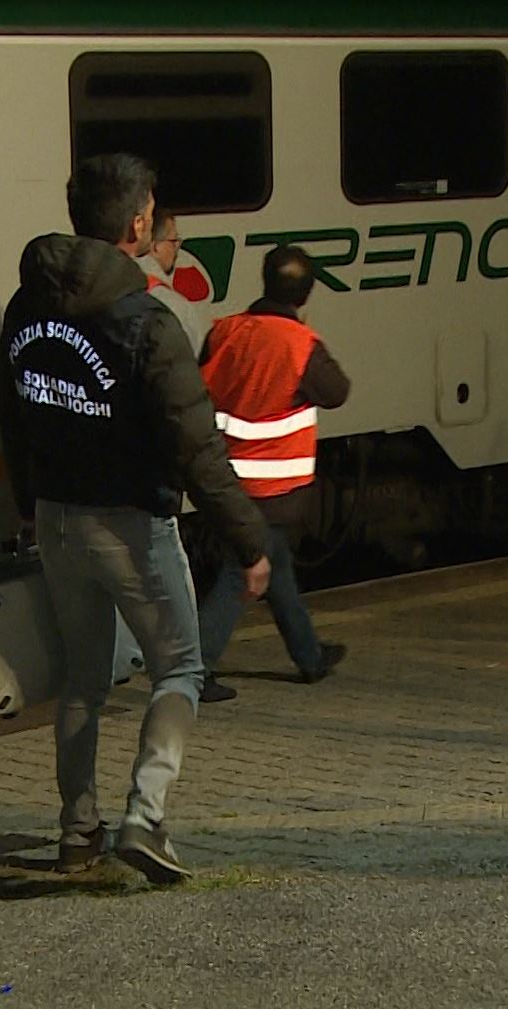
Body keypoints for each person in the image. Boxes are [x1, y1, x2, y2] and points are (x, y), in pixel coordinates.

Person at [0, 153, 271, 883]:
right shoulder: (147, 322)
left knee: (83, 679)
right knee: (179, 668)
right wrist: (249, 542)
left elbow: (13, 419)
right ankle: (144, 819)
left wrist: (29, 503)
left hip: (57, 520)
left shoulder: (25, 307)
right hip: (131, 527)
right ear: (139, 222)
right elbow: (197, 446)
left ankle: (76, 830)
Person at [193, 245, 351, 703]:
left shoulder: (226, 331)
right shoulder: (300, 344)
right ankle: (194, 669)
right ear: (306, 293)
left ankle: (310, 656)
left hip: (226, 480)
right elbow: (336, 392)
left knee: (275, 567)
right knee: (240, 573)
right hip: (276, 488)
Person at [138, 208, 209, 354]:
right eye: (173, 241)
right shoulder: (175, 307)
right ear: (155, 246)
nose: (177, 248)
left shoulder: (113, 283)